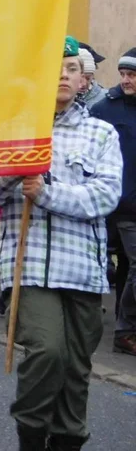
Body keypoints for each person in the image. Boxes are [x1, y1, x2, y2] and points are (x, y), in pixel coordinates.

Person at [0, 37, 122, 451]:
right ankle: (31, 434)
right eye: (54, 67)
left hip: (84, 270)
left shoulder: (101, 133)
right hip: (31, 266)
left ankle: (68, 440)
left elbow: (105, 197)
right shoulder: (13, 131)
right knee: (47, 351)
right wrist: (15, 168)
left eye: (72, 68)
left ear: (83, 78)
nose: (62, 74)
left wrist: (47, 193)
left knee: (75, 368)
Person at [91, 46, 136, 356]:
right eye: (123, 74)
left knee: (127, 268)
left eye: (131, 75)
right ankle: (124, 330)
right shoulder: (105, 107)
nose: (125, 80)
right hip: (124, 205)